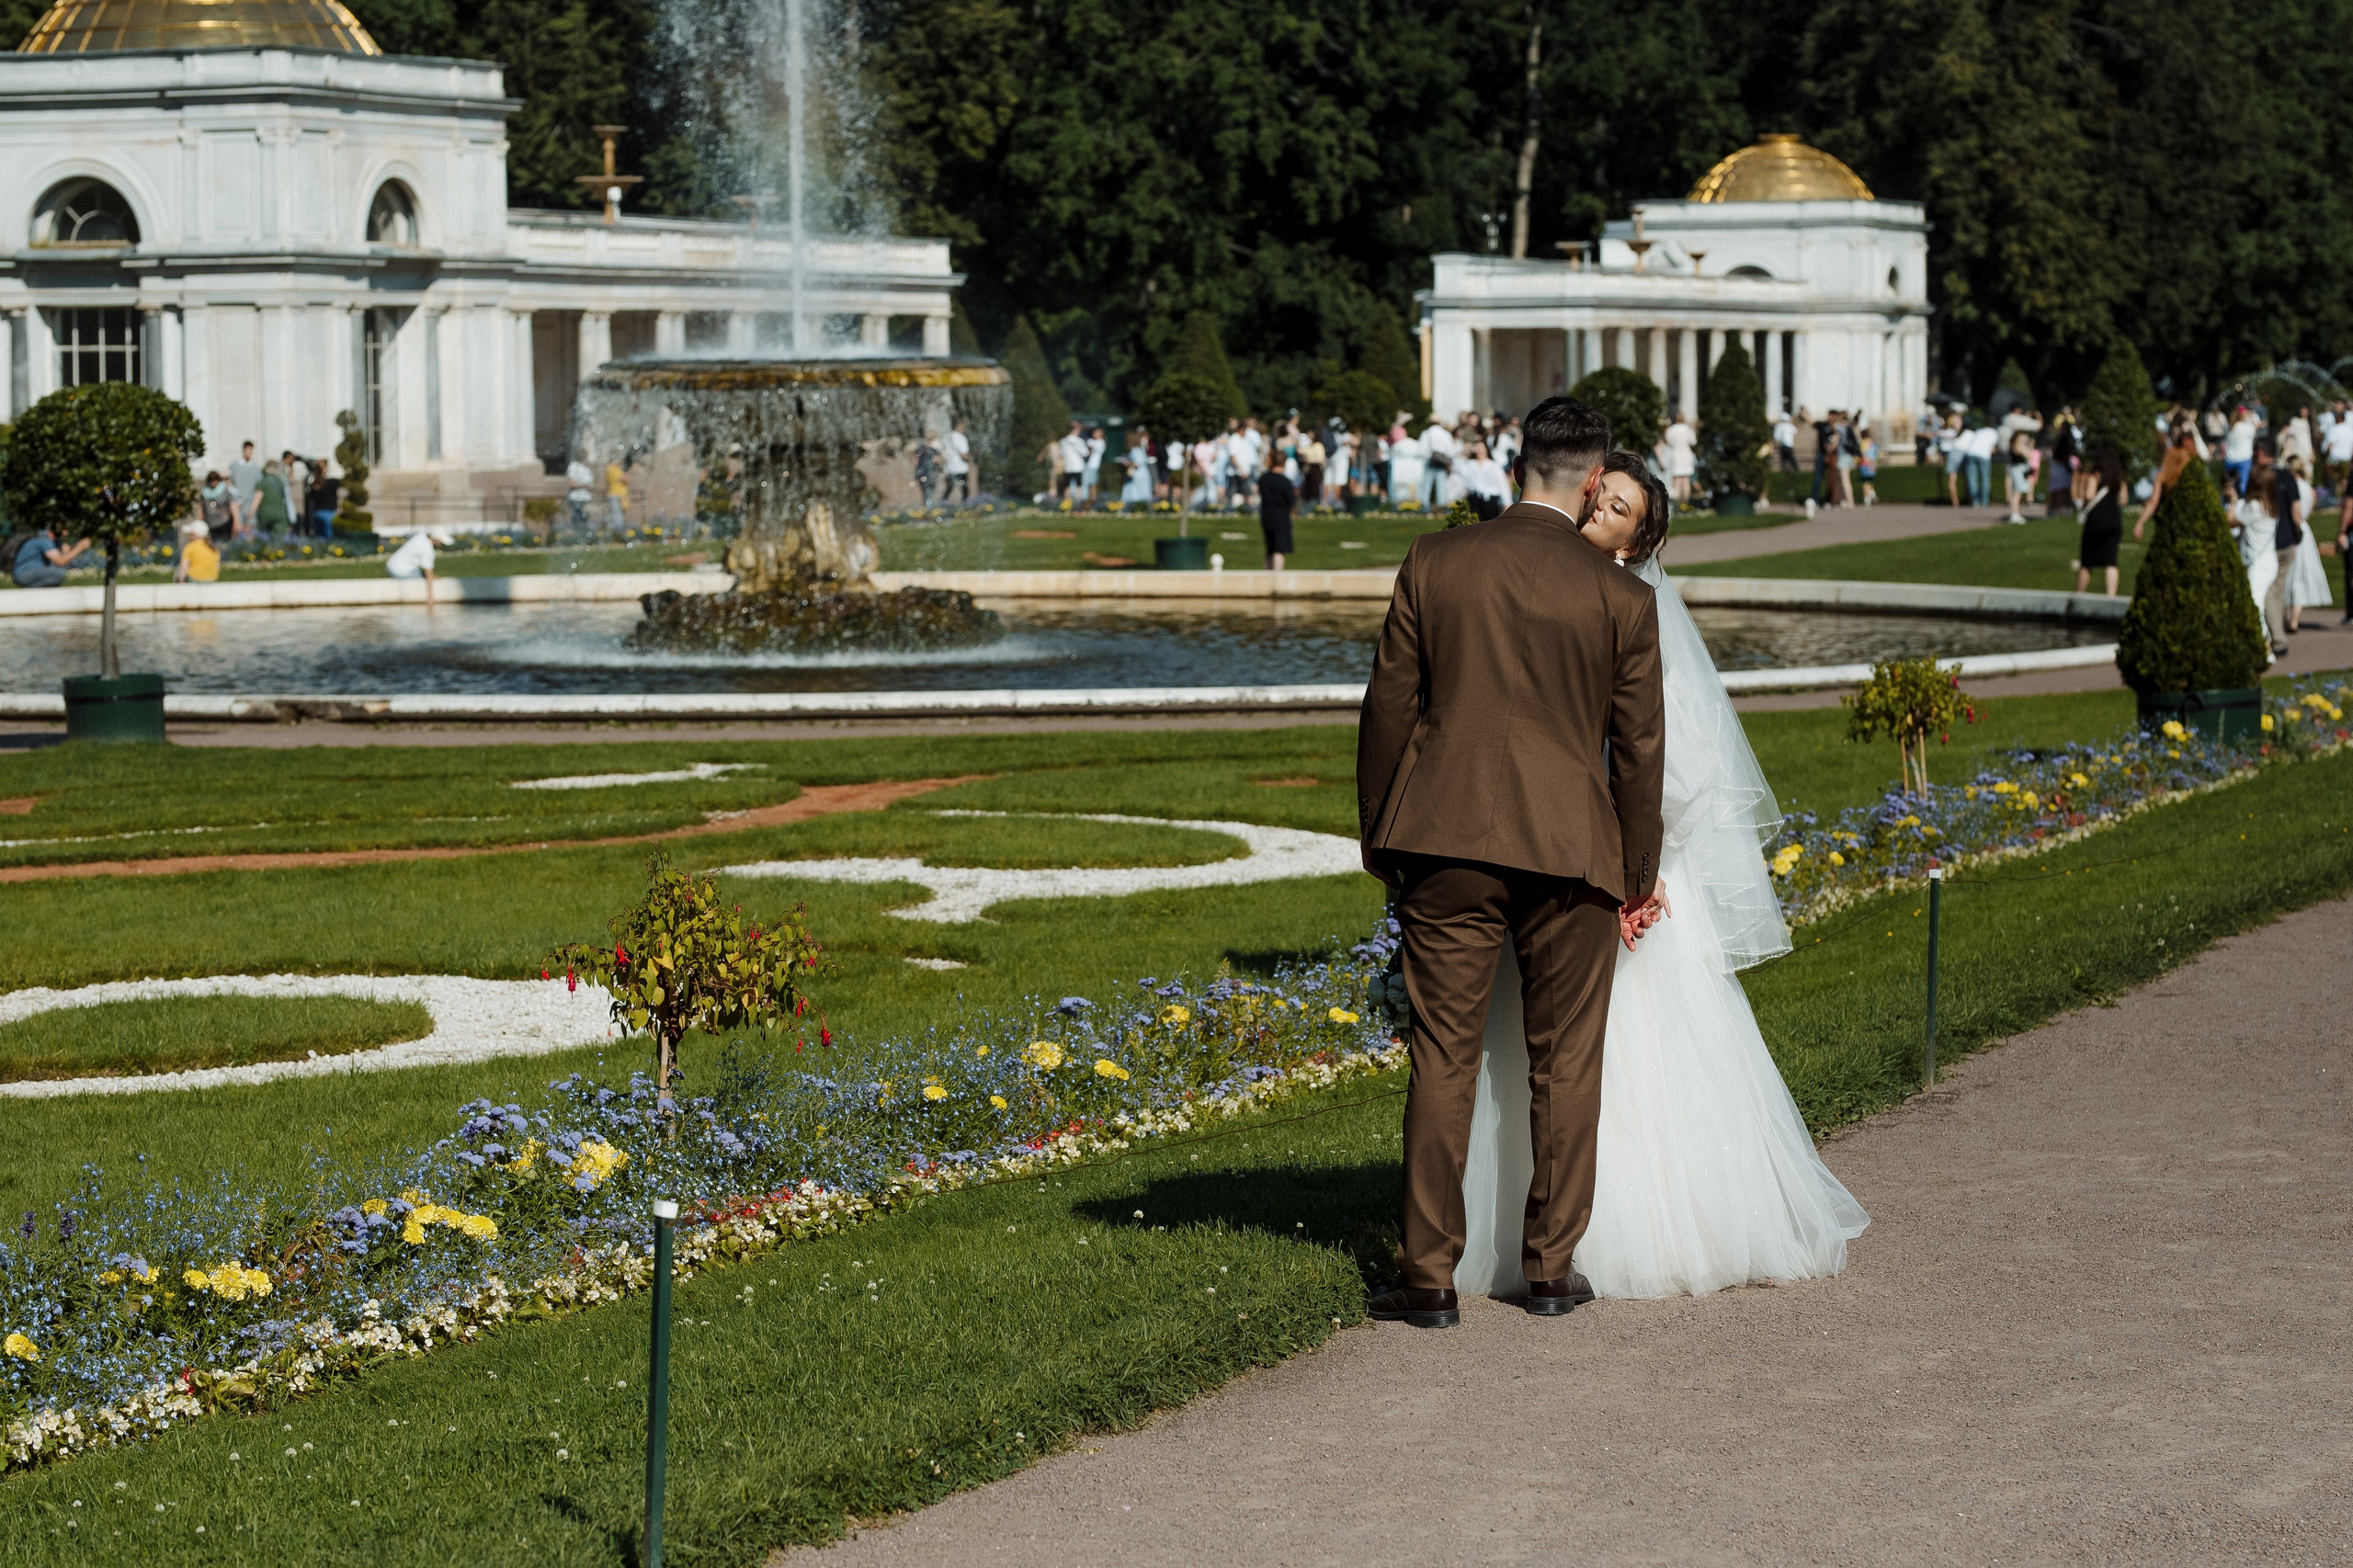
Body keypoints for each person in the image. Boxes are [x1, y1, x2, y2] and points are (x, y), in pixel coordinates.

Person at [1452, 448, 1868, 1302]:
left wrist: (1636, 873)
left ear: (1637, 544)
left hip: (1616, 868)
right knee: (1540, 1058)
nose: (1598, 510)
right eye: (1598, 497)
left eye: (1618, 511)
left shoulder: (1630, 609)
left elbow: (1671, 766)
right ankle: (1520, 1238)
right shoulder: (1536, 583)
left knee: (1614, 1062)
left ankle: (1600, 1239)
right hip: (1546, 859)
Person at [1358, 394, 1666, 1328]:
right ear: (1588, 482)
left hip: (1443, 835)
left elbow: (1387, 711)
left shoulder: (1434, 560)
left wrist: (1383, 836)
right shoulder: (1622, 596)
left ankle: (1426, 1275)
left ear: (1512, 462)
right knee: (1565, 1059)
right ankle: (1547, 1267)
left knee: (1441, 1054)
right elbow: (1641, 751)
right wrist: (1636, 871)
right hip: (1573, 846)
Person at [2283, 456, 2332, 632]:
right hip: (2304, 529)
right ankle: (2294, 618)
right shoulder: (2309, 489)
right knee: (2301, 574)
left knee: (2289, 574)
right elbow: (2308, 512)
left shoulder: (2288, 485)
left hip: (2293, 530)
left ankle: (2288, 618)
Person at [2074, 442, 2125, 597]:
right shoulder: (2118, 477)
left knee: (2087, 562)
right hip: (2114, 521)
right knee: (2111, 561)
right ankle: (2111, 597)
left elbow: (2089, 496)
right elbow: (2123, 499)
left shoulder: (2096, 475)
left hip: (2096, 521)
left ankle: (2078, 595)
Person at [386, 527, 453, 606]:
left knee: (424, 575)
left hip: (390, 565)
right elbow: (428, 572)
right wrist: (430, 596)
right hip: (399, 571)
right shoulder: (427, 549)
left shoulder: (421, 536)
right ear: (437, 539)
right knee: (424, 576)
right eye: (441, 542)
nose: (442, 544)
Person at [10, 527, 91, 587]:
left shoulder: (46, 539)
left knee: (55, 575)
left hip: (25, 573)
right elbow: (60, 561)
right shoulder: (44, 540)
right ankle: (33, 593)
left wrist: (76, 547)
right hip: (24, 574)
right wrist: (80, 548)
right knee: (59, 573)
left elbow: (65, 549)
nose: (66, 533)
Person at [1257, 460, 1296, 570]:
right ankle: (1277, 579)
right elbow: (1291, 502)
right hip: (1281, 518)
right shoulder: (1285, 482)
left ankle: (1266, 578)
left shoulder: (1263, 479)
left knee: (1269, 550)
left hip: (1267, 517)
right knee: (1279, 550)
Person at [1460, 438, 1509, 520]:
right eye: (1477, 448)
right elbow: (1458, 469)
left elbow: (1502, 484)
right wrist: (1465, 451)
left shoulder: (1494, 465)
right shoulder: (1470, 464)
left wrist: (1506, 502)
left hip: (1490, 500)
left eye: (1481, 448)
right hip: (1474, 499)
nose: (1479, 451)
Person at [228, 440, 264, 538]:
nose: (249, 452)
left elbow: (258, 489)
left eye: (251, 450)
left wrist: (253, 508)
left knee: (250, 531)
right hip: (237, 504)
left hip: (250, 503)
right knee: (236, 529)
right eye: (247, 449)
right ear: (243, 450)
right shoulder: (234, 466)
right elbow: (229, 483)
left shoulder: (256, 468)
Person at [254, 458, 294, 541]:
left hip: (265, 514)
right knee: (279, 540)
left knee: (262, 539)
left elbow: (257, 499)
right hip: (281, 513)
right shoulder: (282, 481)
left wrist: (250, 513)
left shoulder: (263, 482)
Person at [2223, 406, 2257, 496]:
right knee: (2243, 486)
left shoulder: (2228, 426)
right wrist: (2251, 417)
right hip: (2244, 458)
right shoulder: (2246, 427)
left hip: (2229, 458)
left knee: (2229, 484)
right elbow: (2255, 428)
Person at [1663, 413, 1696, 505]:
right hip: (1686, 454)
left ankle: (1677, 502)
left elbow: (1669, 442)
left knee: (1677, 480)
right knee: (1686, 480)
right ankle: (1685, 503)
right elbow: (1693, 441)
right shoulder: (1688, 429)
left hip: (1675, 454)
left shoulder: (1671, 430)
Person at [1119, 428, 1157, 506]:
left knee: (1136, 492)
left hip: (1138, 474)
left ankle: (1135, 507)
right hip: (1143, 473)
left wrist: (1127, 463)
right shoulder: (1139, 449)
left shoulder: (1134, 450)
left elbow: (1137, 463)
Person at [940, 416, 972, 504]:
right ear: (958, 425)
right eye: (963, 426)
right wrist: (971, 458)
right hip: (960, 468)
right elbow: (964, 455)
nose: (964, 428)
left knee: (949, 488)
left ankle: (943, 504)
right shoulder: (961, 438)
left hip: (950, 468)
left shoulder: (946, 437)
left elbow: (943, 453)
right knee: (965, 489)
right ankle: (965, 506)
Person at [176, 519, 221, 584]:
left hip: (194, 578)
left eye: (191, 534)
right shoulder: (213, 547)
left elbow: (184, 566)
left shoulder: (190, 547)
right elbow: (217, 567)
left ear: (195, 535)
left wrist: (181, 581)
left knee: (177, 570)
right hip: (211, 579)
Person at [199, 470, 235, 541]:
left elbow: (232, 507)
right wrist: (198, 522)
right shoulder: (204, 493)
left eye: (215, 480)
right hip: (210, 524)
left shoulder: (225, 491)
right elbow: (201, 509)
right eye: (211, 480)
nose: (213, 482)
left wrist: (235, 523)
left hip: (224, 523)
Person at [305, 463, 340, 539]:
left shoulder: (314, 484)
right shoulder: (331, 483)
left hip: (317, 512)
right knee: (328, 537)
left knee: (318, 536)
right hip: (328, 513)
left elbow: (311, 497)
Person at [565, 456, 595, 532]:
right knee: (576, 519)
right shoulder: (573, 466)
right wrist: (584, 485)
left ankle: (583, 535)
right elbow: (571, 483)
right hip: (575, 498)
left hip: (585, 498)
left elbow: (591, 485)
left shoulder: (586, 468)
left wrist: (584, 486)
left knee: (584, 519)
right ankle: (576, 535)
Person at [604, 458, 629, 532]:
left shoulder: (616, 469)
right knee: (617, 515)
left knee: (619, 514)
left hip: (621, 495)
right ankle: (617, 532)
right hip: (615, 494)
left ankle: (614, 531)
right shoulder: (611, 468)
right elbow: (626, 479)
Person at [1773, 409, 1797, 473]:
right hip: (1789, 445)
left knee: (1785, 459)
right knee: (1790, 459)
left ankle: (1787, 470)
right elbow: (1795, 431)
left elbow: (1777, 437)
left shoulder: (1780, 426)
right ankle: (1794, 470)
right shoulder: (1790, 426)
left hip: (1784, 445)